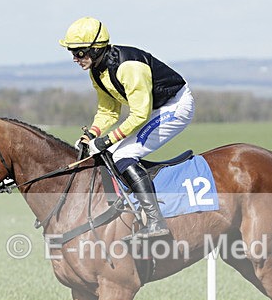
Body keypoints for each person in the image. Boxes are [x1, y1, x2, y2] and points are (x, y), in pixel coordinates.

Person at [59, 17, 195, 239]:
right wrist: (91, 135)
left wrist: (106, 140)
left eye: (79, 52)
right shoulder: (97, 71)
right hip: (152, 109)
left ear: (94, 50)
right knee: (109, 154)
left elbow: (140, 114)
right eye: (72, 52)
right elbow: (108, 111)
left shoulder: (129, 67)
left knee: (123, 153)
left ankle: (155, 221)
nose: (75, 58)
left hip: (176, 105)